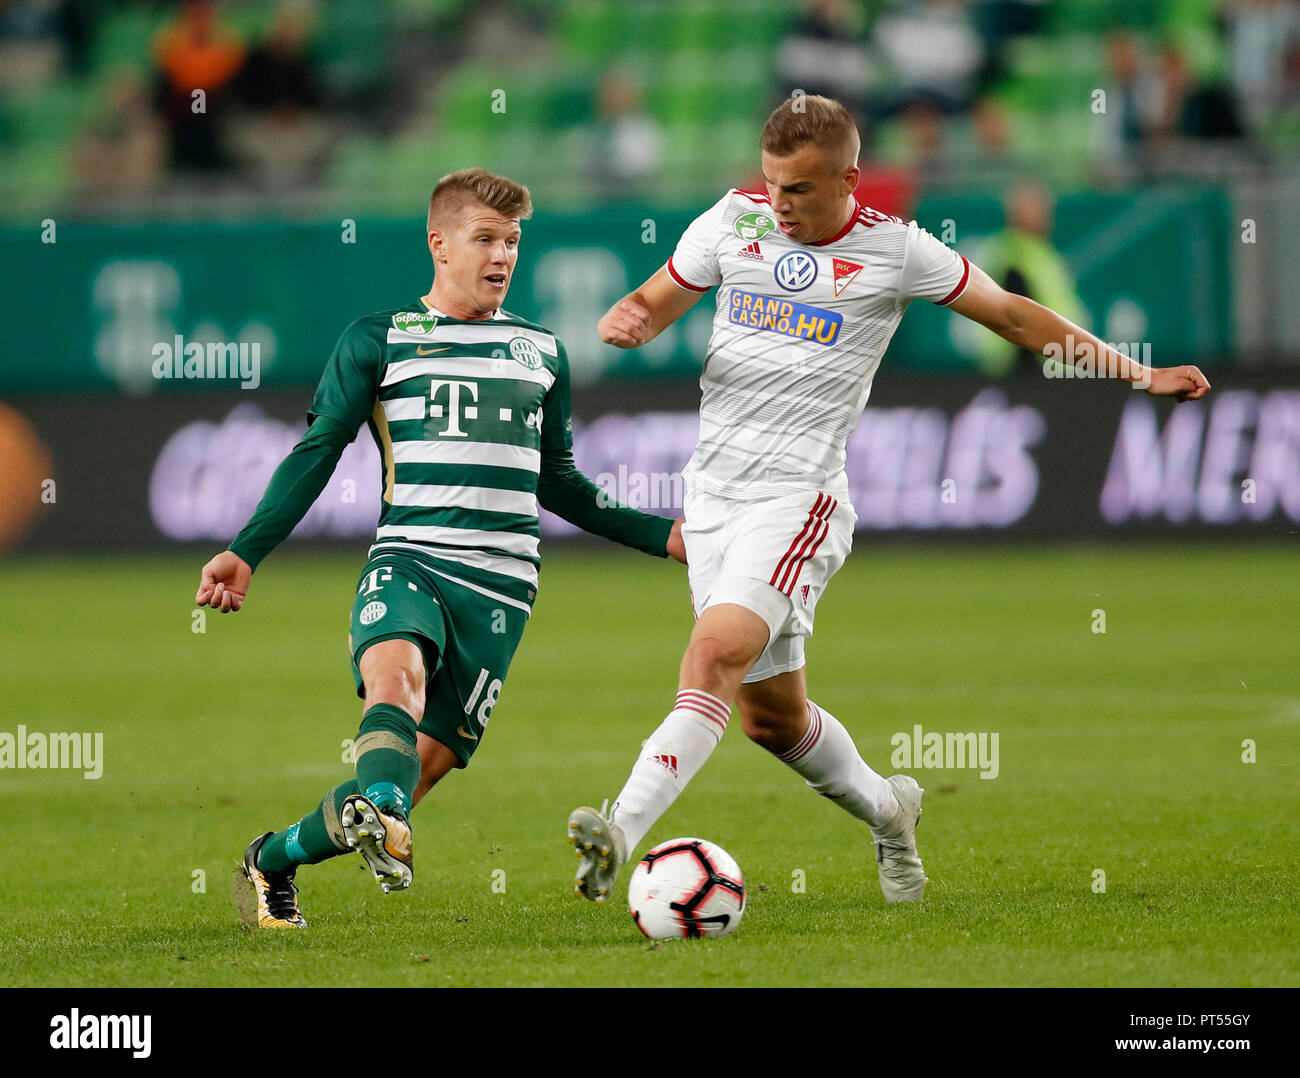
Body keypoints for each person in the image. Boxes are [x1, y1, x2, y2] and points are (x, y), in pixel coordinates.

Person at [568, 95, 1209, 908]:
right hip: (713, 499)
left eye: (799, 188)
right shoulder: (733, 220)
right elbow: (649, 303)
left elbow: (1013, 316)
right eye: (771, 184)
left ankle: (617, 832)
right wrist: (627, 320)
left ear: (849, 178)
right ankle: (889, 813)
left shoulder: (896, 250)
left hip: (798, 501)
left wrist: (1139, 373)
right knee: (771, 720)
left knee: (712, 658)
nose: (781, 203)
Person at [197, 167, 685, 928]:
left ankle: (272, 860)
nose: (503, 256)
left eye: (513, 241)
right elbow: (318, 448)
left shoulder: (541, 352)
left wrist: (666, 536)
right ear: (440, 245)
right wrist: (245, 551)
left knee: (402, 786)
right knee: (396, 686)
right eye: (485, 238)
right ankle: (380, 814)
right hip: (411, 559)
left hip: (502, 593)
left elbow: (558, 482)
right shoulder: (379, 338)